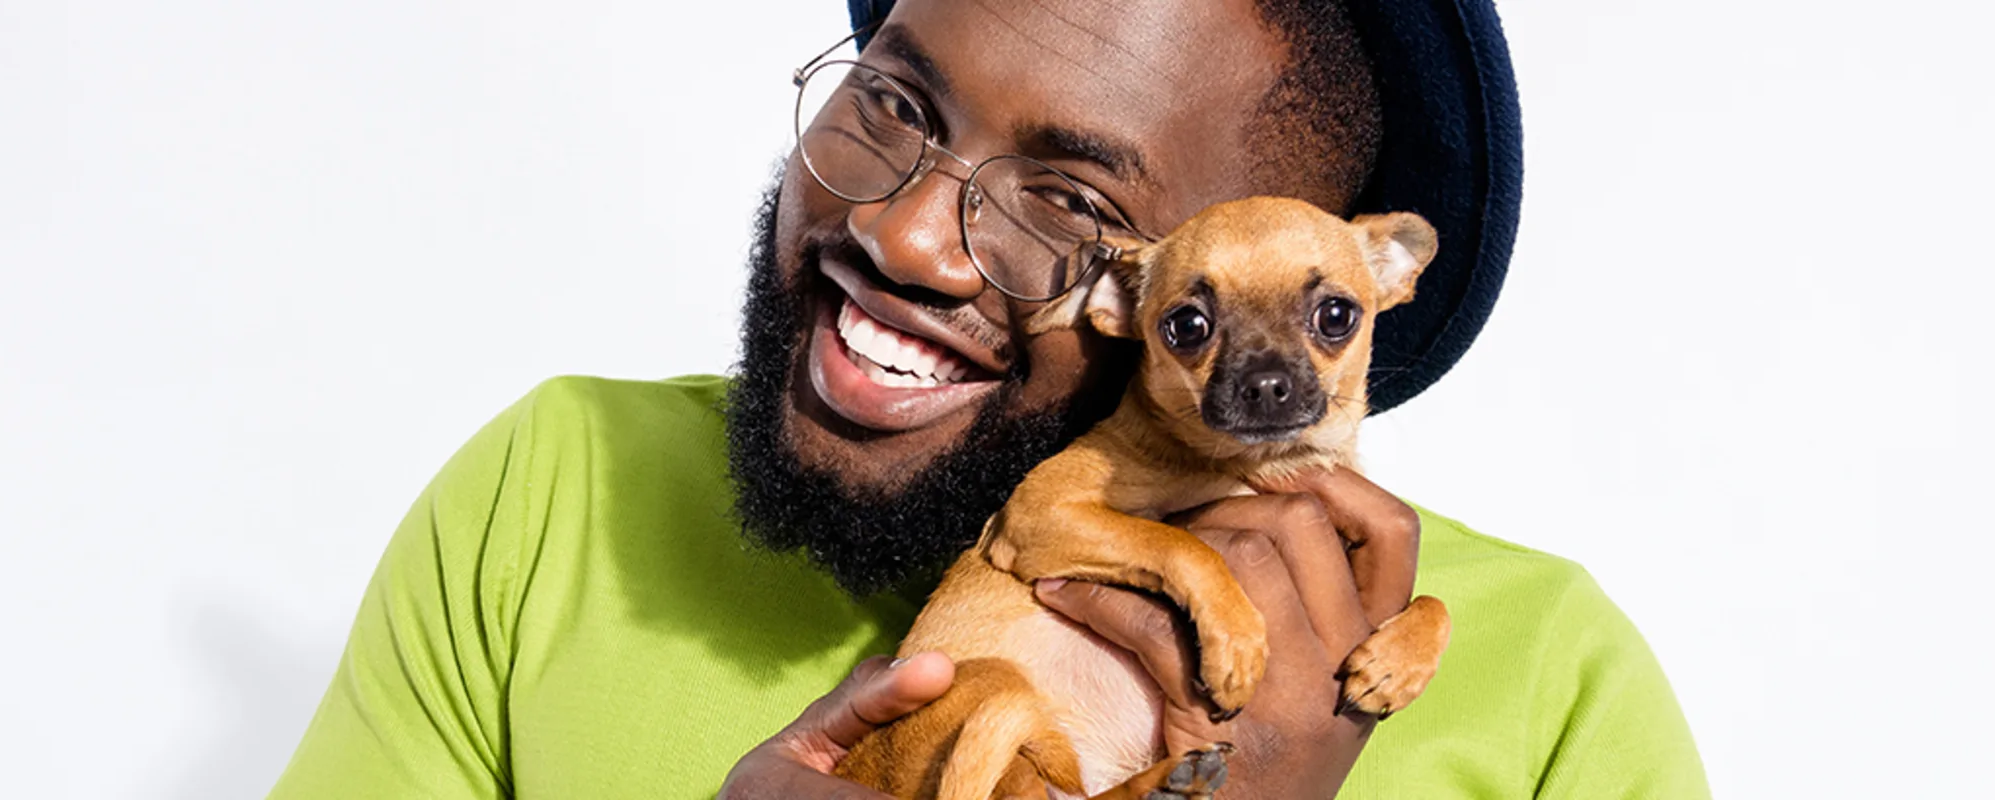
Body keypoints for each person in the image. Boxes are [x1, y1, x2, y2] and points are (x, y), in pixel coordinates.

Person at [270, 0, 1708, 796]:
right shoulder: (556, 497)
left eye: (1066, 205)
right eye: (896, 105)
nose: (899, 234)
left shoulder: (1550, 693)